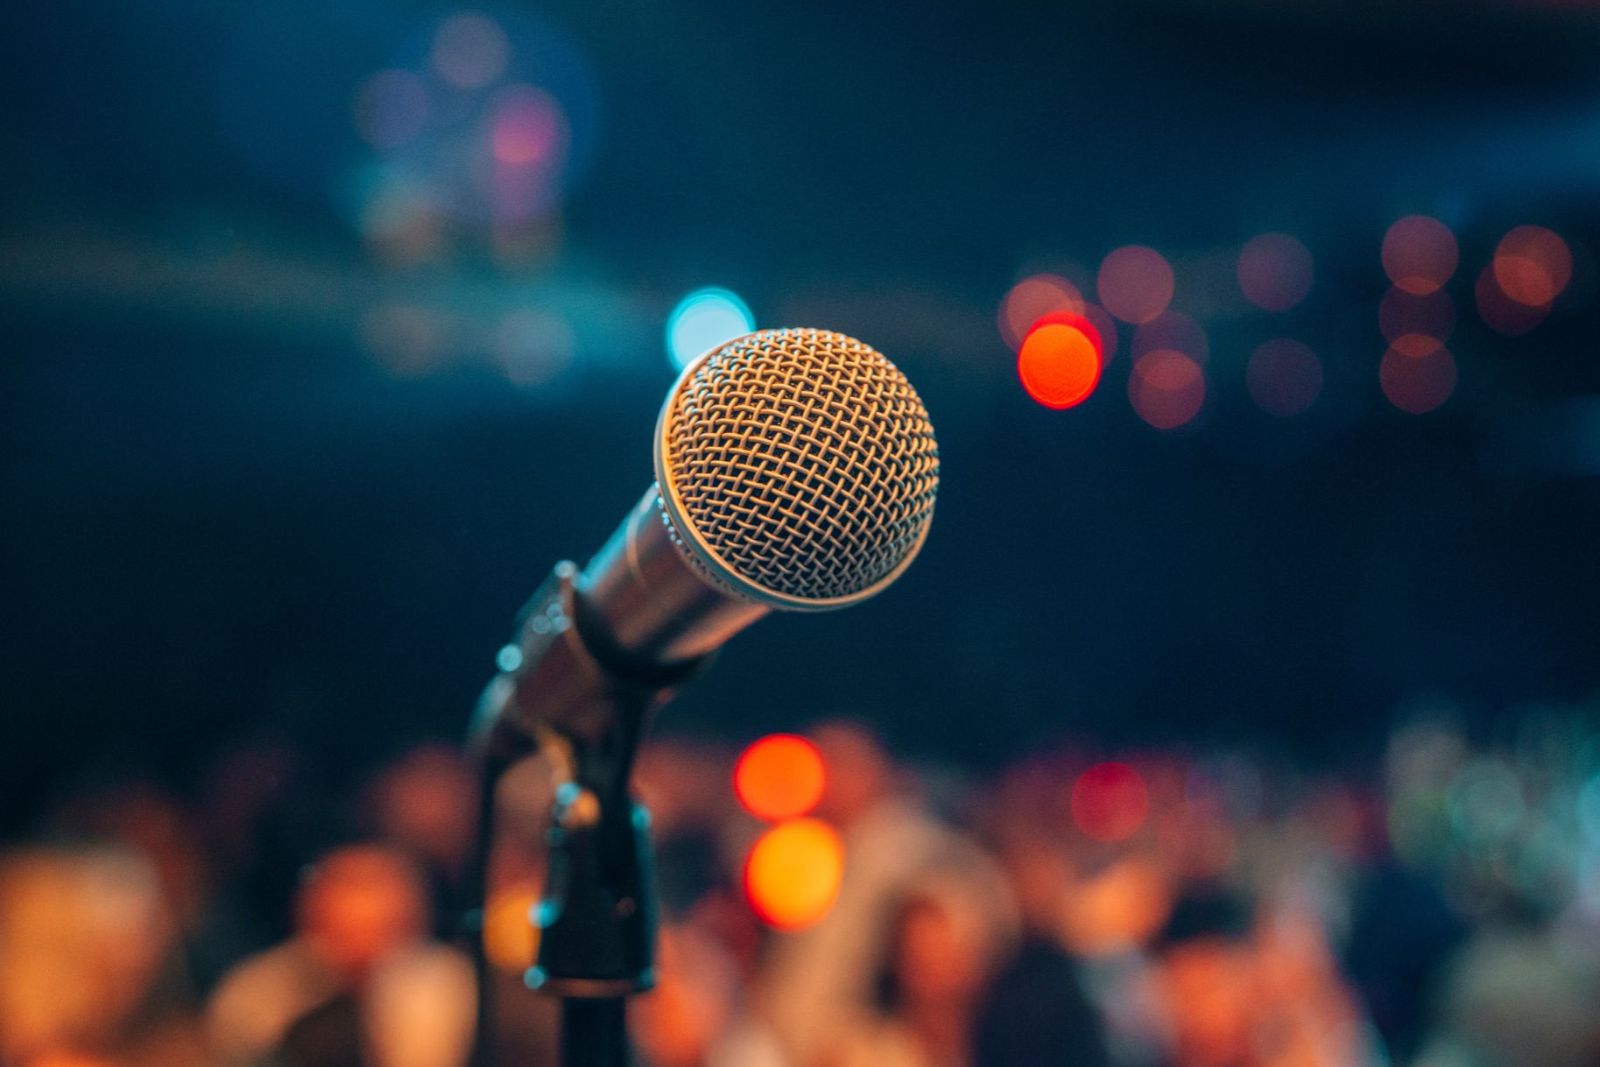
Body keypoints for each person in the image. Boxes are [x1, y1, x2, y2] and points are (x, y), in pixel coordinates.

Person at [206, 844, 473, 1067]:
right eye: (344, 933)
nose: (361, 953)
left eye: (380, 932)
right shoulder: (256, 996)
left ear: (416, 926)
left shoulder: (457, 987)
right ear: (309, 925)